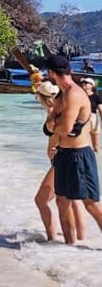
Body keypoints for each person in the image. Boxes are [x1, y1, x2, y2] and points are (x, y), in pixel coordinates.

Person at [46, 55, 102, 243]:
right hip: (64, 153)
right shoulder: (61, 94)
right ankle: (69, 247)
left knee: (91, 204)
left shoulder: (74, 94)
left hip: (79, 155)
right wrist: (54, 125)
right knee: (62, 201)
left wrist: (54, 124)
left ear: (51, 73)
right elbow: (49, 126)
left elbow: (63, 128)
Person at [33, 80, 89, 242]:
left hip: (62, 158)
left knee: (42, 200)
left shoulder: (55, 111)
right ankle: (80, 240)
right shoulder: (63, 106)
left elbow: (60, 133)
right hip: (70, 156)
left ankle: (53, 240)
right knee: (74, 200)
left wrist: (55, 149)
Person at [79, 77, 101, 153]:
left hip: (93, 118)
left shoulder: (96, 97)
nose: (83, 84)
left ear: (92, 86)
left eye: (86, 83)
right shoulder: (80, 96)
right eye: (83, 83)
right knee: (83, 142)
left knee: (95, 143)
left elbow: (101, 110)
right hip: (82, 118)